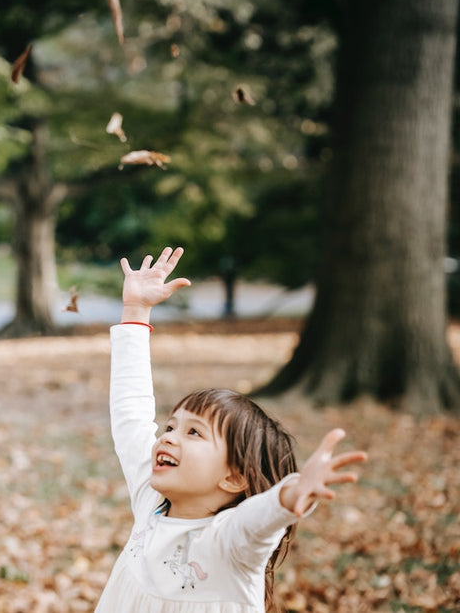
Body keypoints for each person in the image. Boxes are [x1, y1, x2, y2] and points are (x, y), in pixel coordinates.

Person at [96, 247, 367, 613]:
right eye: (172, 425)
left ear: (235, 477)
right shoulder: (151, 500)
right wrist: (136, 312)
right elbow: (131, 412)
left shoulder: (232, 542)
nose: (169, 436)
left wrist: (293, 493)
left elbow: (263, 517)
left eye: (194, 433)